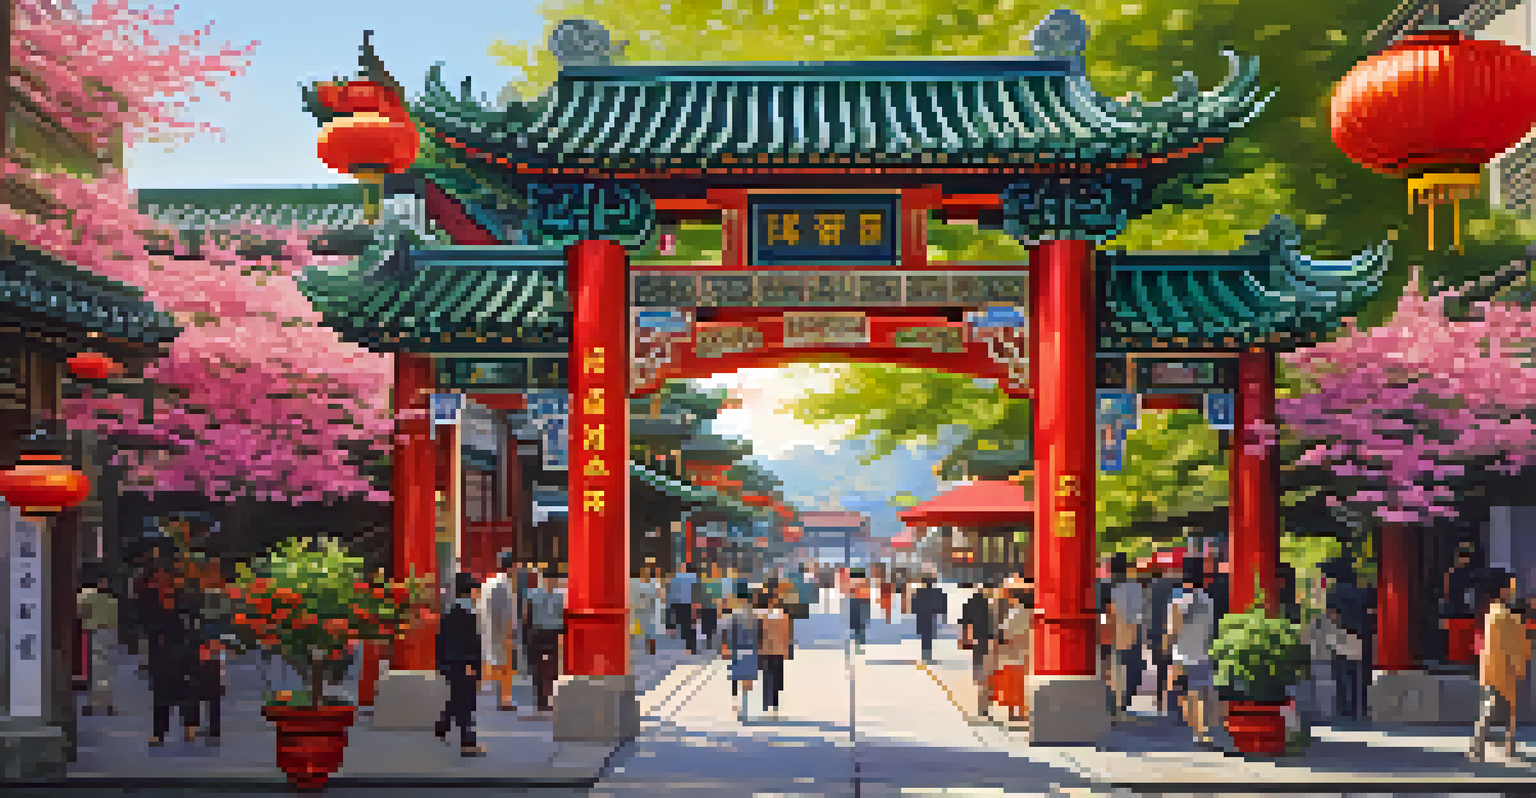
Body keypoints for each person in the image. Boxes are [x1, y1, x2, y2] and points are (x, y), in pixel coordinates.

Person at [1470, 572, 1530, 761]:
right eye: (1511, 587)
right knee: (1494, 711)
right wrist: (1520, 665)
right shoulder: (1503, 615)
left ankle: (1502, 748)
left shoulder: (1495, 613)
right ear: (1503, 590)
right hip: (1502, 671)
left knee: (1496, 711)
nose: (1513, 590)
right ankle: (1480, 747)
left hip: (1494, 670)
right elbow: (1513, 644)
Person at [1169, 555, 1217, 748]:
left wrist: (1165, 646)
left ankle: (1198, 730)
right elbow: (1209, 629)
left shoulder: (1178, 601)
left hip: (1181, 653)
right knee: (1199, 692)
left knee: (1185, 694)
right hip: (1202, 652)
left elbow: (1173, 630)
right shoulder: (1208, 600)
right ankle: (1201, 730)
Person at [436, 573, 486, 756]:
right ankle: (467, 742)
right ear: (469, 591)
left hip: (455, 664)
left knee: (456, 698)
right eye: (477, 590)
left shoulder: (453, 613)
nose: (478, 594)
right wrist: (469, 664)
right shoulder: (464, 615)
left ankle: (442, 727)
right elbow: (463, 644)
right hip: (463, 664)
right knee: (466, 702)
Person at [1323, 557, 1372, 722]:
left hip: (1342, 634)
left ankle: (1344, 708)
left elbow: (1332, 616)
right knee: (1362, 673)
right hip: (1362, 633)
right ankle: (1362, 707)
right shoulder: (1363, 590)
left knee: (1342, 673)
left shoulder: (1334, 592)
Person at [478, 552, 521, 711]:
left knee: (494, 665)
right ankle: (504, 700)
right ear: (511, 566)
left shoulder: (488, 583)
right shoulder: (505, 585)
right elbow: (506, 613)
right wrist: (511, 634)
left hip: (488, 630)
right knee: (505, 669)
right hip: (503, 632)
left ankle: (499, 698)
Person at [1107, 553, 1147, 721]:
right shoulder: (1135, 587)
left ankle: (1117, 703)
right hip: (1130, 633)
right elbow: (1138, 614)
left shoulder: (1112, 587)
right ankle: (1123, 702)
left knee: (1118, 669)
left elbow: (1111, 614)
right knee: (1131, 669)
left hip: (1117, 633)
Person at [77, 571, 120, 717]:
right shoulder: (111, 600)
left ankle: (93, 704)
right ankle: (106, 704)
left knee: (94, 669)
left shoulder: (86, 595)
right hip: (107, 633)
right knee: (105, 669)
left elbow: (79, 611)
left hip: (94, 632)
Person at [524, 570, 567, 713]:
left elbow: (526, 616)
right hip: (544, 634)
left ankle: (545, 698)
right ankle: (543, 699)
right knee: (543, 669)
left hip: (547, 633)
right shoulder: (535, 595)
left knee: (549, 669)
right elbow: (527, 616)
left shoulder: (558, 596)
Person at [1145, 558, 1180, 717]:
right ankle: (1174, 701)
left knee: (1161, 668)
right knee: (1176, 666)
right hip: (1175, 631)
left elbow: (1148, 612)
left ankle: (1160, 700)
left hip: (1157, 632)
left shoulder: (1152, 587)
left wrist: (1148, 635)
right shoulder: (1177, 587)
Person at [994, 582, 1033, 722]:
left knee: (1013, 685)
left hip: (1012, 654)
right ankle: (1020, 712)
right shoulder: (1028, 614)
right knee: (1020, 685)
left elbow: (1006, 633)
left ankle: (1014, 712)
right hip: (1023, 653)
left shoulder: (1015, 613)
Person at [723, 584, 761, 721]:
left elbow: (730, 634)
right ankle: (745, 707)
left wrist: (727, 647)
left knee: (740, 679)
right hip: (751, 650)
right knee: (747, 681)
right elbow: (759, 635)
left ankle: (743, 708)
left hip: (738, 649)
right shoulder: (755, 617)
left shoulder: (735, 616)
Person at [960, 582, 999, 717]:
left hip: (979, 640)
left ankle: (983, 700)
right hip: (987, 641)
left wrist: (966, 638)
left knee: (981, 670)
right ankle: (984, 703)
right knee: (987, 672)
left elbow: (965, 622)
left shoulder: (971, 603)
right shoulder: (990, 604)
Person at [757, 590, 793, 715]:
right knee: (776, 675)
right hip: (777, 650)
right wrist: (786, 650)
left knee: (768, 674)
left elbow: (759, 634)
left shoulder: (763, 616)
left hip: (767, 649)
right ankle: (774, 700)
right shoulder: (782, 616)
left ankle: (767, 700)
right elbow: (786, 634)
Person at [912, 576, 949, 664]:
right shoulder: (935, 592)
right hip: (930, 617)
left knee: (925, 637)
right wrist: (943, 614)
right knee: (928, 637)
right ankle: (927, 656)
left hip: (922, 617)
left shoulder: (919, 592)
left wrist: (915, 612)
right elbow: (943, 602)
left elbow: (914, 605)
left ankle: (925, 656)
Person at [668, 563, 700, 654]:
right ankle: (690, 646)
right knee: (686, 625)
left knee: (685, 625)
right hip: (682, 604)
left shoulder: (688, 577)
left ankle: (690, 645)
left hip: (683, 604)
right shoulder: (690, 577)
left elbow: (671, 593)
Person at [632, 565, 664, 656]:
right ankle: (649, 643)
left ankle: (651, 645)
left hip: (651, 608)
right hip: (645, 609)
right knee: (646, 627)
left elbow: (659, 596)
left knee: (651, 628)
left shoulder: (653, 583)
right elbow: (638, 597)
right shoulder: (641, 584)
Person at [699, 563, 723, 652]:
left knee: (711, 625)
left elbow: (719, 596)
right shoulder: (704, 580)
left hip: (712, 606)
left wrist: (719, 607)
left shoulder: (716, 581)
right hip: (706, 606)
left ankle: (710, 640)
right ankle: (708, 640)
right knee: (707, 625)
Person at [847, 568, 872, 649]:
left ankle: (858, 640)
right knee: (859, 622)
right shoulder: (865, 584)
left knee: (858, 622)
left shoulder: (857, 584)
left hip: (859, 601)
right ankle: (858, 640)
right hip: (859, 601)